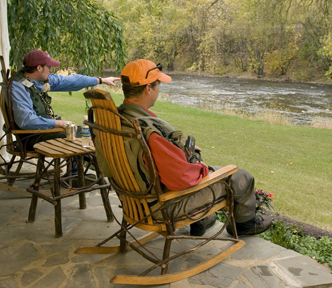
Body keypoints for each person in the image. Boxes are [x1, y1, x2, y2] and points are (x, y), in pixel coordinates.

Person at [115, 59, 272, 236]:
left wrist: (177, 151)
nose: (158, 90)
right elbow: (183, 179)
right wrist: (200, 167)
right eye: (158, 84)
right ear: (148, 89)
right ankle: (245, 226)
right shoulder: (147, 132)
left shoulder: (118, 120)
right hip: (162, 207)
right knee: (240, 177)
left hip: (135, 201)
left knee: (194, 157)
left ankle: (202, 221)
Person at [11, 49, 119, 149]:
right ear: (39, 68)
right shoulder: (18, 86)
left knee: (89, 133)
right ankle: (78, 168)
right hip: (31, 138)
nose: (51, 70)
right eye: (49, 67)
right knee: (82, 137)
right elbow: (26, 120)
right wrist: (58, 123)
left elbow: (71, 80)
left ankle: (80, 165)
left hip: (45, 132)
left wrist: (101, 80)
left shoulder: (39, 80)